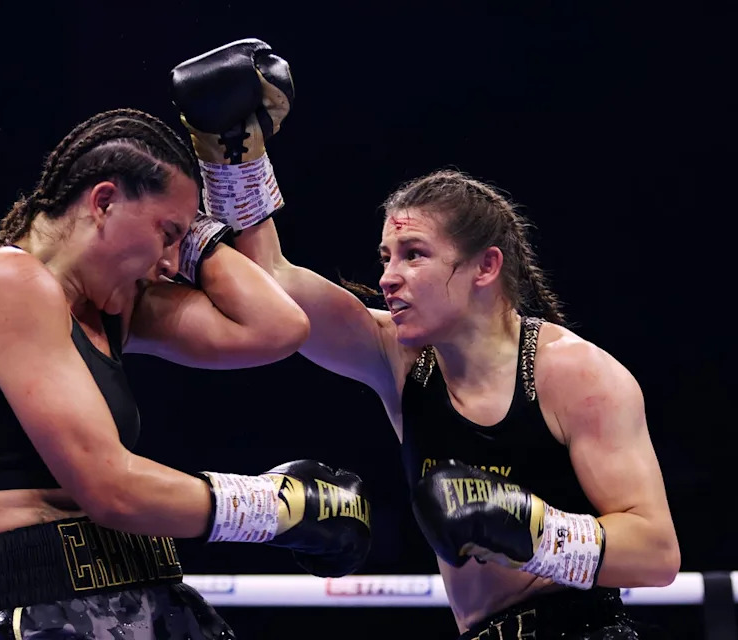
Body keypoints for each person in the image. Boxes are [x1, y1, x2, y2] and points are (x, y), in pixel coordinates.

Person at [169, 40, 680, 639]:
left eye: (414, 255)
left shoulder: (576, 374)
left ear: (486, 267)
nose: (388, 276)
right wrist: (233, 157)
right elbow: (275, 284)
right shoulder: (400, 359)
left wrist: (532, 531)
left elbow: (656, 553)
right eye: (386, 256)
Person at [0, 107, 372, 640]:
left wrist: (204, 198)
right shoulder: (5, 282)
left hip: (147, 594)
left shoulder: (109, 308)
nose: (169, 262)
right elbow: (111, 489)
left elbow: (277, 327)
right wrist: (276, 508)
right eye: (167, 233)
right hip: (48, 612)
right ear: (104, 201)